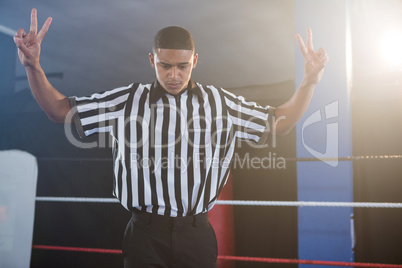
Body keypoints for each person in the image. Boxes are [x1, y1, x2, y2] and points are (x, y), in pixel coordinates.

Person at [14, 8, 328, 268]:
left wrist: (310, 82)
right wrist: (32, 66)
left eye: (181, 66)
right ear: (152, 61)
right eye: (165, 66)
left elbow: (279, 123)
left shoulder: (220, 103)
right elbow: (59, 111)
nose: (174, 75)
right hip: (144, 234)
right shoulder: (127, 100)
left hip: (197, 233)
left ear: (194, 61)